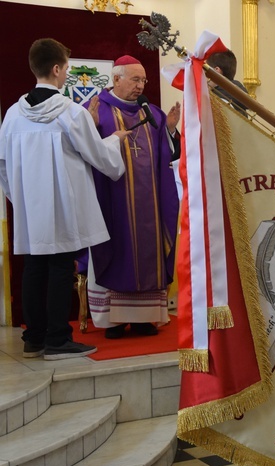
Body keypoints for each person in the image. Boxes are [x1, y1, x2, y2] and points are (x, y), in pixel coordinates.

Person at [0, 38, 127, 360]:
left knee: (33, 266)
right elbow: (98, 156)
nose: (66, 74)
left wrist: (21, 198)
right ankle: (58, 340)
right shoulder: (70, 112)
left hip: (31, 208)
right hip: (64, 206)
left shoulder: (13, 115)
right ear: (57, 69)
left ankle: (34, 338)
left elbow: (2, 166)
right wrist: (112, 140)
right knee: (59, 266)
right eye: (66, 69)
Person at [85, 55, 180, 339]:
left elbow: (168, 155)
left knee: (148, 251)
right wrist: (89, 126)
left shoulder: (153, 114)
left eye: (144, 80)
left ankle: (144, 319)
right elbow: (82, 152)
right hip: (111, 201)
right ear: (116, 79)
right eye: (135, 79)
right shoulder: (94, 110)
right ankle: (112, 322)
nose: (141, 86)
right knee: (114, 250)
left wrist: (171, 129)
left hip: (149, 205)